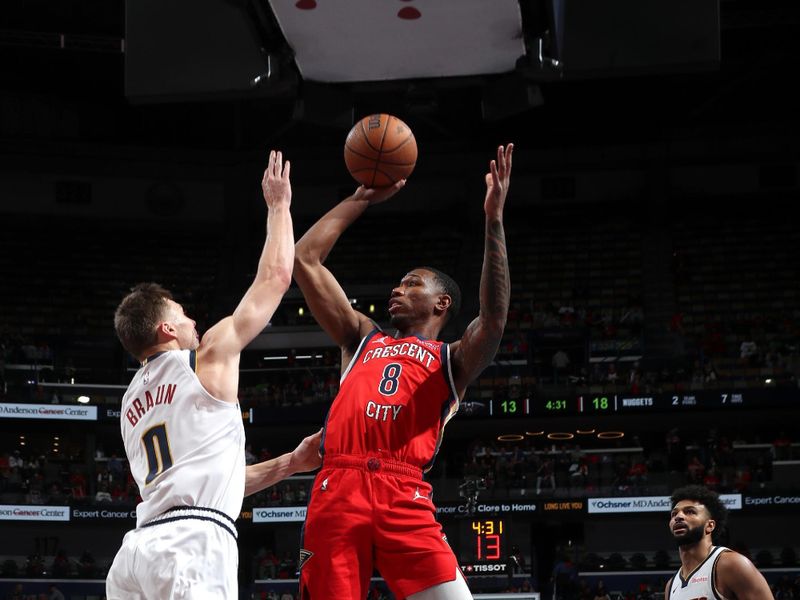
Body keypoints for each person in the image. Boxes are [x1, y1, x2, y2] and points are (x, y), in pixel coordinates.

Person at [293, 144, 513, 600]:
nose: (397, 288)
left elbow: (493, 319)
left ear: (441, 303)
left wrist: (493, 221)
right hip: (340, 485)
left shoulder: (451, 359)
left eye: (412, 283)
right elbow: (305, 260)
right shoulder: (361, 339)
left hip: (404, 491)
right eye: (399, 281)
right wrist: (361, 199)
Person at [105, 151, 322, 599]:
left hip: (135, 555)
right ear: (166, 329)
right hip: (193, 547)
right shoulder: (208, 355)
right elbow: (276, 277)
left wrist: (290, 464)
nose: (193, 323)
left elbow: (211, 479)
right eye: (183, 316)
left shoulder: (129, 404)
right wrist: (280, 207)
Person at [666, 484, 772, 600]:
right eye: (674, 513)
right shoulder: (671, 585)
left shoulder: (731, 564)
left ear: (710, 526)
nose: (678, 516)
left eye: (690, 512)